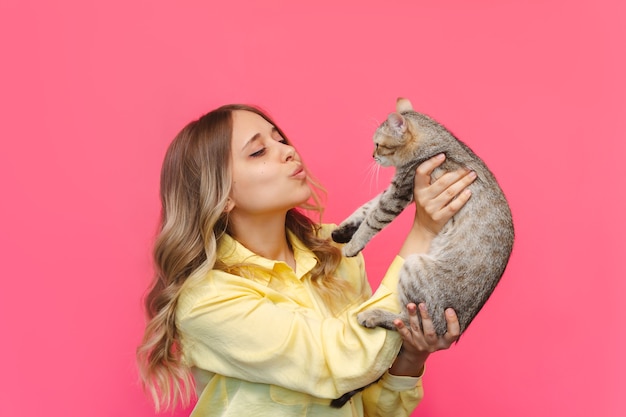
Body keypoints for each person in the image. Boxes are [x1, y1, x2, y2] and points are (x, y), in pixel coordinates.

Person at [137, 103, 476, 416]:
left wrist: (412, 357)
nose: (288, 151)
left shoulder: (337, 252)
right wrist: (422, 233)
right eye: (258, 151)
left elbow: (365, 403)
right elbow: (339, 362)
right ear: (221, 195)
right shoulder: (207, 299)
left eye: (280, 139)